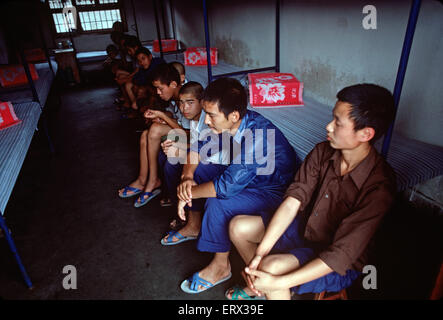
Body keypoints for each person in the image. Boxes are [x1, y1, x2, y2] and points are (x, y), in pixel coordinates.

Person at [227, 83, 397, 300]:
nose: (328, 126)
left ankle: (270, 285)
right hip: (306, 229)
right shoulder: (322, 152)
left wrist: (278, 281)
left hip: (338, 260)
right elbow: (292, 202)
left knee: (272, 269)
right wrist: (258, 257)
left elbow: (341, 254)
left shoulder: (380, 184)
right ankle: (262, 285)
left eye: (338, 122)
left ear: (366, 134)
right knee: (238, 227)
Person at [165, 78, 296, 294]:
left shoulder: (257, 136)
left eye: (211, 115)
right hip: (248, 181)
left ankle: (220, 266)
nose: (206, 121)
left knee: (219, 202)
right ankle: (194, 225)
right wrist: (187, 177)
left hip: (273, 191)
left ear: (233, 115)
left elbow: (225, 187)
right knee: (197, 169)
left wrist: (186, 193)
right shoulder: (232, 124)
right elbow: (199, 147)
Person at [118, 63, 189, 207]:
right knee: (145, 134)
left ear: (174, 84)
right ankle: (143, 179)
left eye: (160, 89)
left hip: (190, 136)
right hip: (182, 130)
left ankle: (152, 181)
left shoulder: (186, 97)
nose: (157, 92)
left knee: (156, 129)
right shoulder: (173, 97)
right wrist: (162, 117)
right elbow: (175, 116)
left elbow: (187, 133)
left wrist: (163, 117)